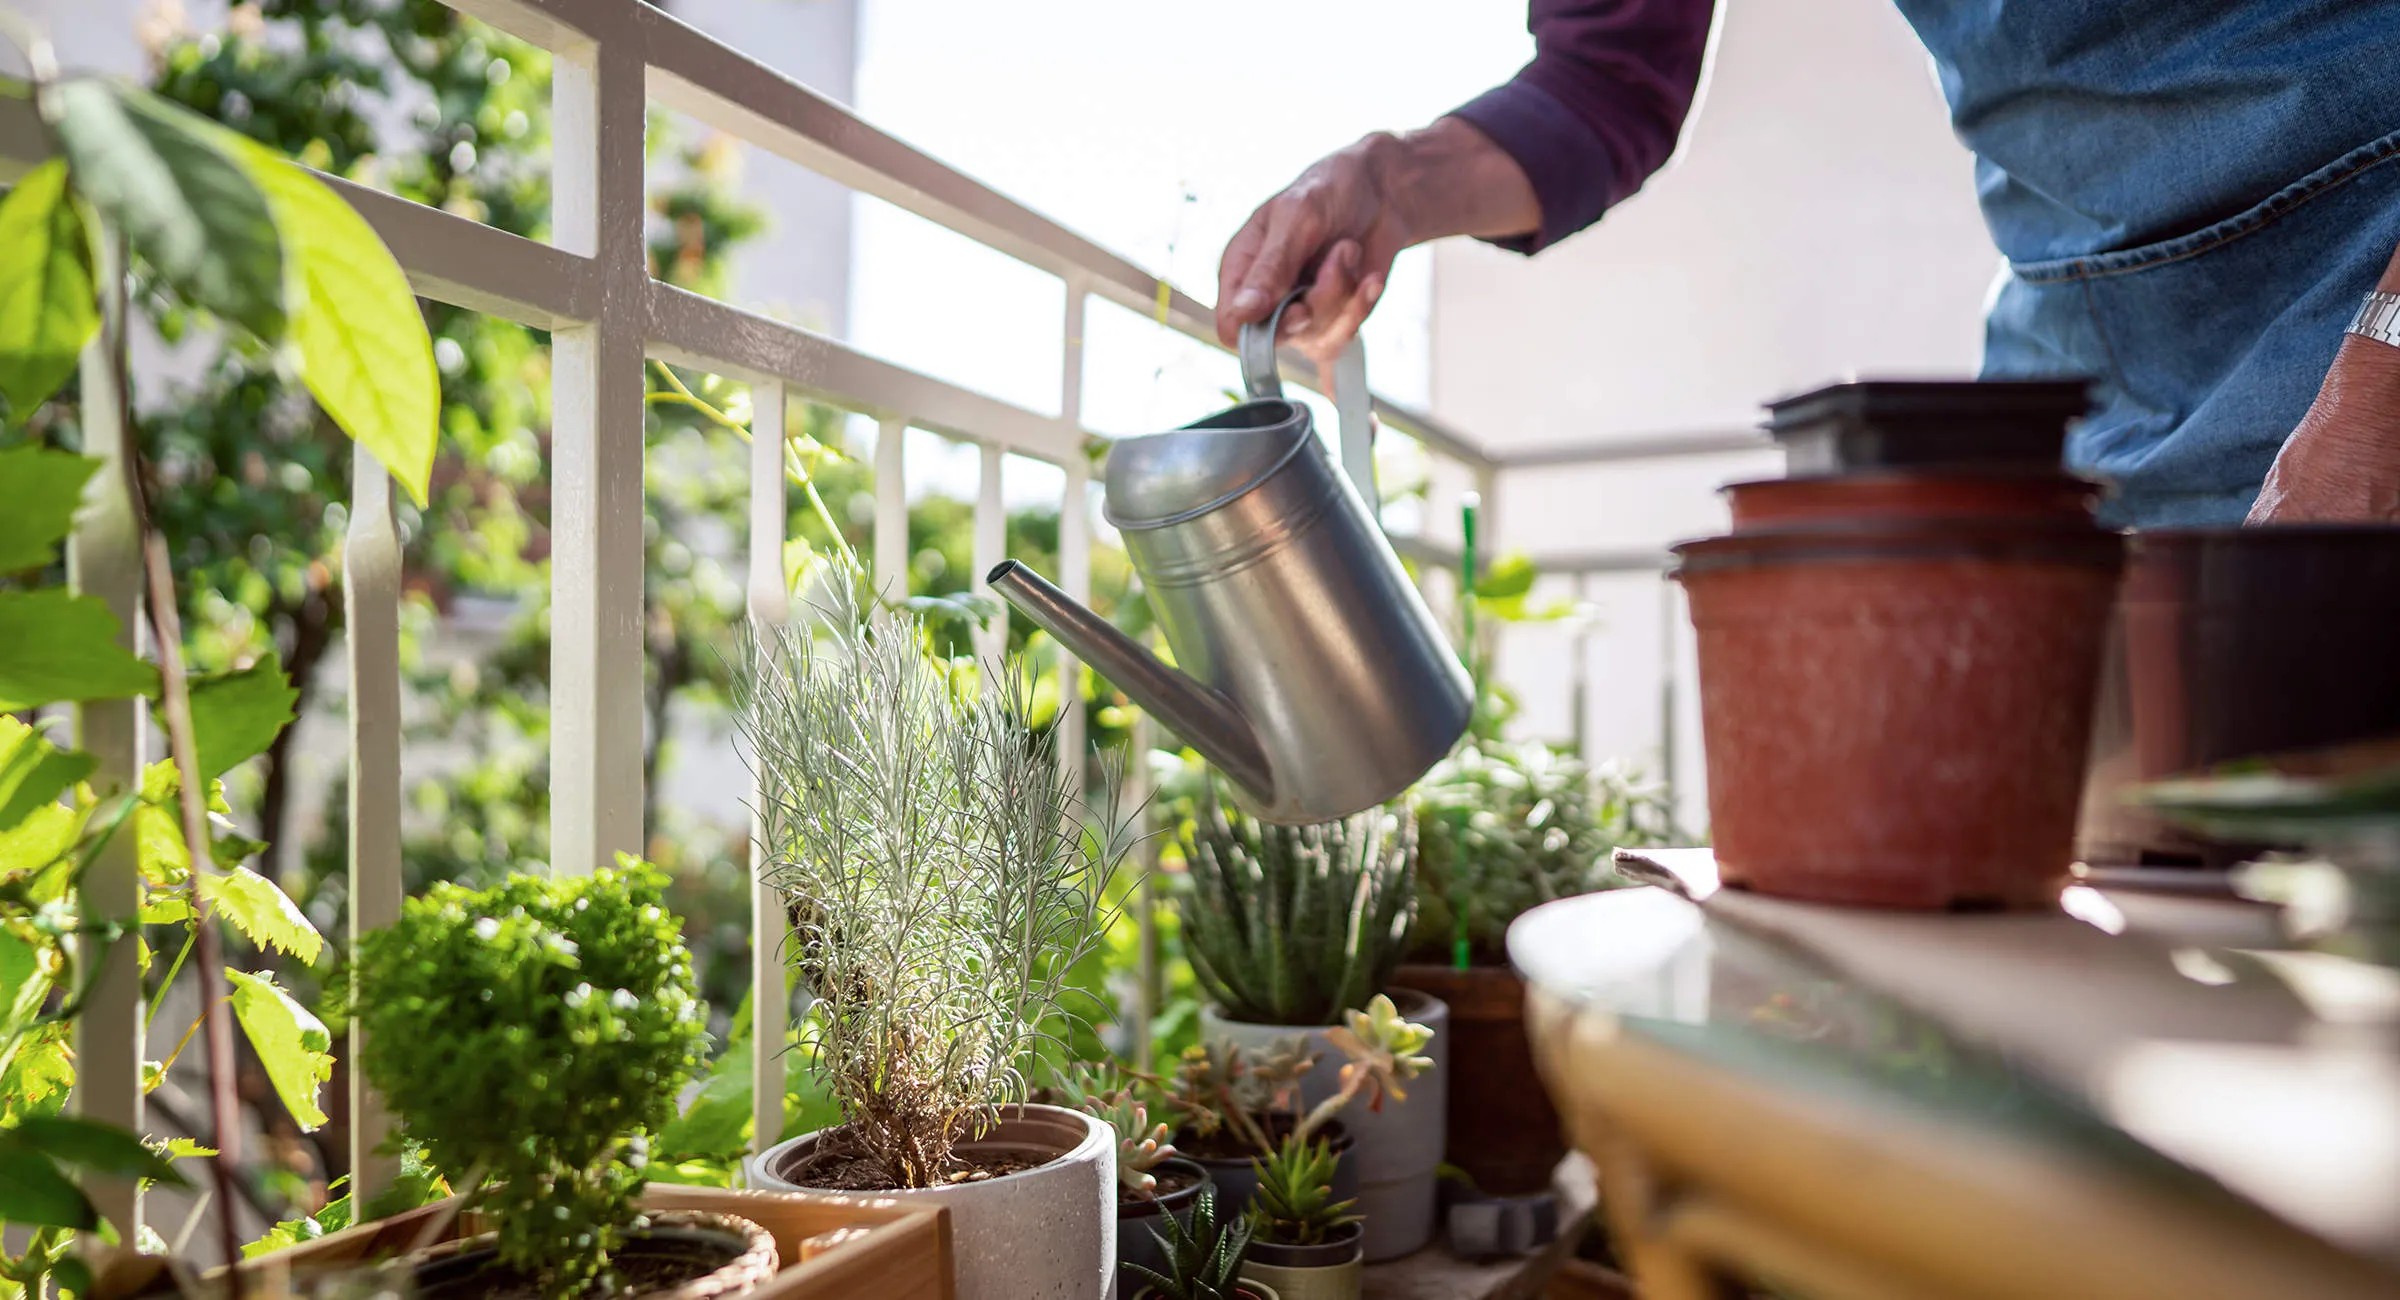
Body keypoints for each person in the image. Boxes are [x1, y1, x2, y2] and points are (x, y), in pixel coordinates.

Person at [1214, 0, 2400, 528]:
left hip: (2371, 268)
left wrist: (2379, 390)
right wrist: (1392, 180)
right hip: (2089, 355)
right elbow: (1606, 78)